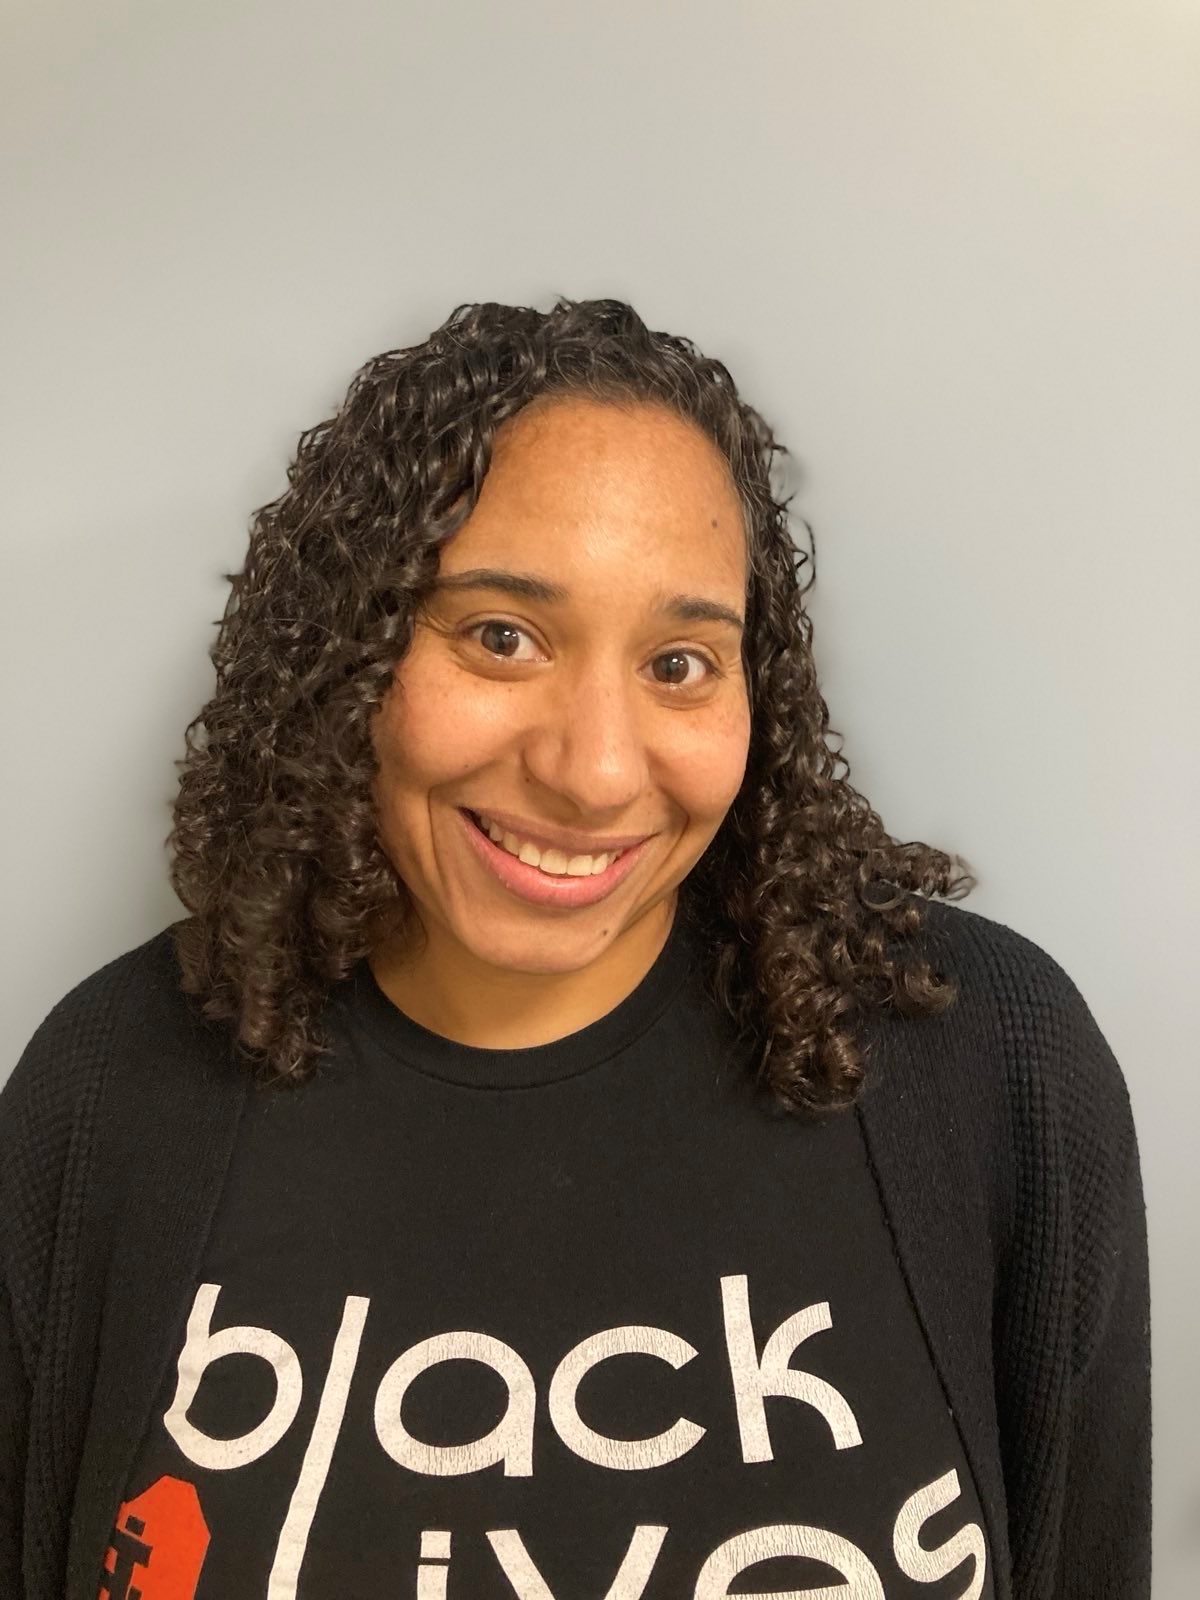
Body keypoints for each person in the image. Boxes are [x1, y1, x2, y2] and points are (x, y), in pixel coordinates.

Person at [1, 297, 1149, 1599]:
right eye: (501, 636)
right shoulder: (106, 1095)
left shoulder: (988, 1058)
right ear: (347, 655)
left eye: (678, 661)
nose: (596, 772)